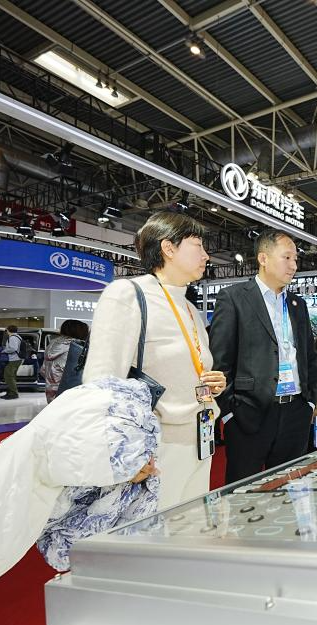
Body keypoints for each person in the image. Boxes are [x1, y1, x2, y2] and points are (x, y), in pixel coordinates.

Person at [84, 212, 226, 509]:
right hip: (156, 450)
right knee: (157, 530)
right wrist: (126, 454)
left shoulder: (189, 308)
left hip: (202, 439)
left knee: (192, 527)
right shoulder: (128, 294)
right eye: (197, 245)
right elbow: (101, 384)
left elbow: (185, 368)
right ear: (168, 248)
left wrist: (213, 384)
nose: (206, 255)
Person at [209, 229, 317, 484]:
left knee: (289, 487)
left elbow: (308, 356)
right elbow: (220, 361)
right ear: (263, 258)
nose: (294, 266)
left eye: (295, 259)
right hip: (249, 414)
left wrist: (309, 402)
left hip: (296, 412)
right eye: (287, 258)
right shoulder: (234, 298)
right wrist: (229, 414)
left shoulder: (297, 304)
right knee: (243, 489)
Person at [40, 319, 89, 403]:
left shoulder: (52, 344)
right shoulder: (76, 348)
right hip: (69, 394)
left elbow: (43, 370)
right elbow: (77, 375)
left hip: (51, 392)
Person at [0, 325, 24, 400]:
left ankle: (14, 393)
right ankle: (10, 392)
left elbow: (13, 348)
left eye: (6, 330)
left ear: (8, 330)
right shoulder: (17, 336)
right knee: (11, 376)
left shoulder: (13, 337)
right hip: (17, 359)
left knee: (8, 376)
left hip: (14, 359)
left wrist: (4, 351)